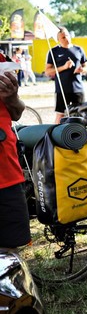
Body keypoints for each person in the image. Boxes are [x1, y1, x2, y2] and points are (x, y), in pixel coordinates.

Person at [0, 69, 30, 251]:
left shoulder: (2, 63)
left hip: (7, 175)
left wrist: (12, 98)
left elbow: (16, 113)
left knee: (10, 252)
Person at [45, 27, 87, 123]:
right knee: (61, 114)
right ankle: (55, 135)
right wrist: (64, 67)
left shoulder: (79, 49)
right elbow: (47, 71)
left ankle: (80, 135)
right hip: (62, 89)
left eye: (67, 35)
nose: (66, 38)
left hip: (78, 88)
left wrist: (82, 69)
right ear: (58, 40)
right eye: (63, 37)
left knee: (81, 114)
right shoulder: (54, 51)